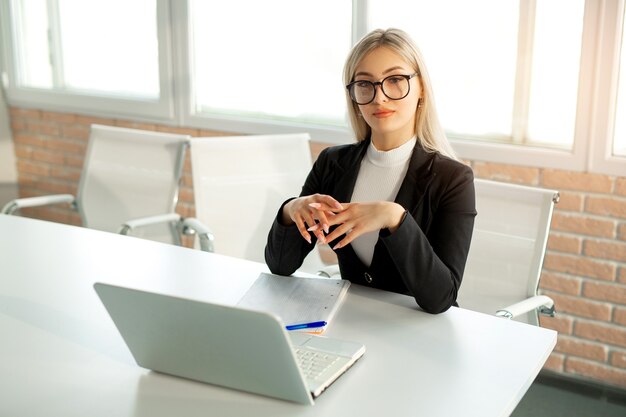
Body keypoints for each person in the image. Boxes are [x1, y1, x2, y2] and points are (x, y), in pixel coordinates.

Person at [264, 28, 476, 314]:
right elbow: (280, 266)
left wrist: (394, 218)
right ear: (353, 95)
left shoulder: (453, 180)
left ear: (421, 87)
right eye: (365, 84)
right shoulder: (332, 163)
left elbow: (441, 297)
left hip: (419, 338)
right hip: (350, 323)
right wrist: (291, 210)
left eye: (396, 80)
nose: (379, 97)